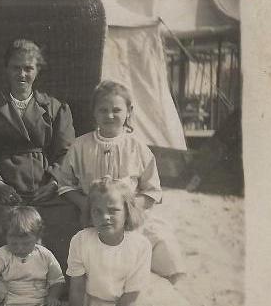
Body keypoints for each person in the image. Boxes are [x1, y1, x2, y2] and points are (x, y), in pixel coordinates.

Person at [55, 80, 186, 282]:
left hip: (132, 217)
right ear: (94, 112)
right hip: (95, 217)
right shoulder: (80, 146)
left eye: (116, 110)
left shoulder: (137, 147)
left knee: (161, 238)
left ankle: (176, 281)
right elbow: (65, 184)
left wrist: (131, 209)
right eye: (103, 110)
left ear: (129, 111)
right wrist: (85, 204)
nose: (109, 115)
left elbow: (152, 191)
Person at [0, 39, 77, 270]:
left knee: (69, 211)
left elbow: (66, 153)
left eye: (28, 68)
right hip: (6, 189)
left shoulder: (54, 107)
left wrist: (54, 184)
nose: (22, 74)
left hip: (43, 188)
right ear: (6, 69)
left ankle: (58, 283)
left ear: (37, 70)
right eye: (15, 67)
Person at [67, 178, 215, 306]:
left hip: (141, 299)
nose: (105, 217)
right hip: (103, 305)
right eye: (97, 211)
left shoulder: (139, 245)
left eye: (113, 210)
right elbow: (77, 288)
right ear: (89, 213)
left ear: (127, 212)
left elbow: (131, 296)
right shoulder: (81, 241)